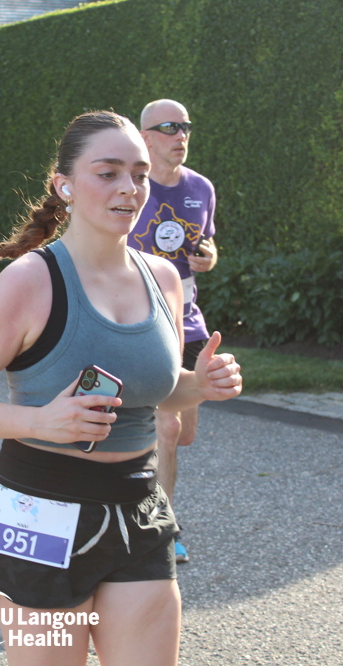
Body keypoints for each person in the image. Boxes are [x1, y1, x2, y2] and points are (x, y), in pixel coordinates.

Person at [0, 110, 242, 666]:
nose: (129, 188)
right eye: (108, 172)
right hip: (39, 514)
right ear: (65, 185)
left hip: (139, 507)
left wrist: (200, 386)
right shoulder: (28, 281)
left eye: (139, 174)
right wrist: (38, 421)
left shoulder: (164, 279)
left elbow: (158, 393)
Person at [127, 100, 218, 565]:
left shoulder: (201, 188)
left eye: (185, 126)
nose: (180, 135)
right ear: (145, 137)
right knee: (168, 425)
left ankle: (132, 463)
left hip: (188, 321)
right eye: (169, 127)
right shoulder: (130, 188)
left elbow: (206, 242)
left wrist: (210, 257)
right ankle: (162, 529)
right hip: (143, 319)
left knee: (184, 435)